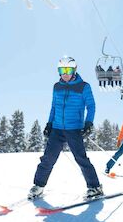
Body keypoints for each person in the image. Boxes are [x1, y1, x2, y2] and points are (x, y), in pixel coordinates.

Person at [28, 56, 103, 200]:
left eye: (68, 69)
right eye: (62, 70)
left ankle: (95, 187)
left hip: (74, 128)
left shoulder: (84, 86)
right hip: (57, 128)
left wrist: (88, 123)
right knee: (48, 158)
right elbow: (53, 107)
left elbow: (91, 106)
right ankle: (38, 186)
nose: (65, 73)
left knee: (81, 158)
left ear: (74, 69)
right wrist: (49, 123)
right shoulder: (57, 86)